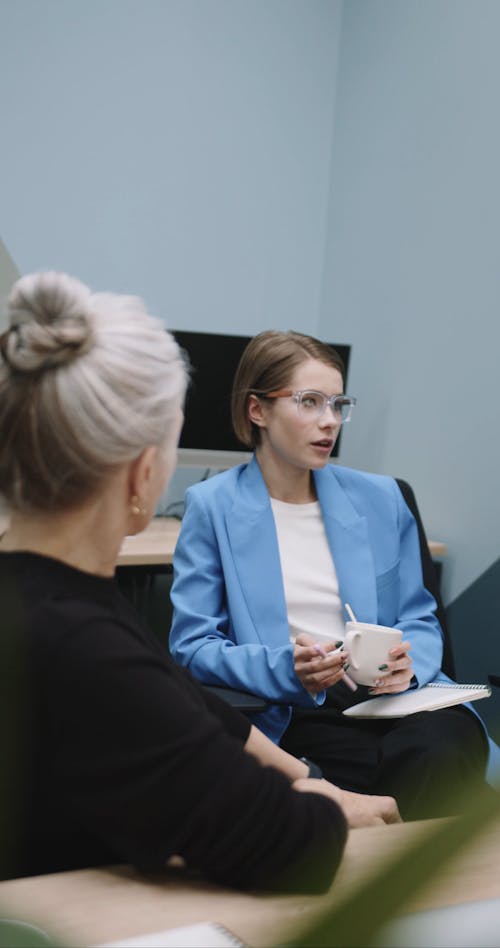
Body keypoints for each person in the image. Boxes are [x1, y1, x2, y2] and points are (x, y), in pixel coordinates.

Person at [0, 274, 399, 890]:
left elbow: (183, 702)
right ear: (142, 472)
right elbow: (284, 842)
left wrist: (304, 774)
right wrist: (326, 807)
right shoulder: (80, 647)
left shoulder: (61, 603)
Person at [170, 330, 500, 820]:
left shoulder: (381, 498)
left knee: (444, 750)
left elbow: (421, 618)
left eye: (337, 404)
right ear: (256, 411)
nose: (329, 422)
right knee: (364, 772)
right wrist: (289, 668)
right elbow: (192, 646)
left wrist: (409, 666)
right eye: (309, 402)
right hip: (299, 707)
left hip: (400, 699)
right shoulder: (212, 507)